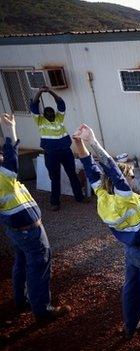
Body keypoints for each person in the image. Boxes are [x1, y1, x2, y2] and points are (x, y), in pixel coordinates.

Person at [72, 124, 140, 347]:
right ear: (123, 180)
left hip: (131, 252)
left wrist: (78, 143)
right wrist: (92, 141)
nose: (132, 179)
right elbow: (110, 167)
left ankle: (130, 326)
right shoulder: (125, 197)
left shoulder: (102, 194)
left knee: (130, 289)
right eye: (130, 175)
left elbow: (89, 166)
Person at [0, 113, 71, 322]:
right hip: (28, 228)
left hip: (15, 229)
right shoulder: (3, 177)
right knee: (39, 264)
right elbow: (12, 160)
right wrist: (10, 130)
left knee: (21, 262)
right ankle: (42, 309)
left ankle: (21, 300)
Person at [30, 87, 85, 211]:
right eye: (48, 114)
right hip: (51, 154)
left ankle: (79, 197)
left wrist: (50, 92)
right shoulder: (40, 121)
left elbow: (60, 103)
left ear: (54, 113)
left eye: (51, 113)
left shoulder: (59, 118)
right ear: (44, 115)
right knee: (55, 178)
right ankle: (55, 202)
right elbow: (34, 105)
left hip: (66, 151)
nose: (50, 115)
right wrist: (39, 92)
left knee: (72, 175)